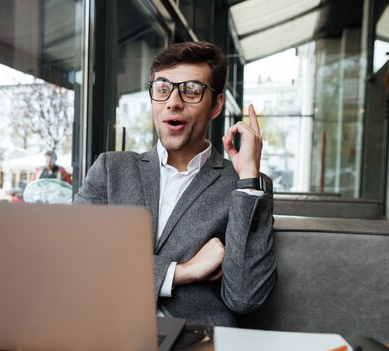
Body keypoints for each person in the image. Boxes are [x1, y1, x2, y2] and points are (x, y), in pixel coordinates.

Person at [74, 41, 277, 327]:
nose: (173, 101)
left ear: (216, 105)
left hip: (195, 346)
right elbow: (73, 264)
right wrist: (184, 272)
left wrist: (248, 179)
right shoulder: (111, 170)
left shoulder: (245, 186)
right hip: (104, 331)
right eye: (162, 88)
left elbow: (246, 297)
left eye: (191, 90)